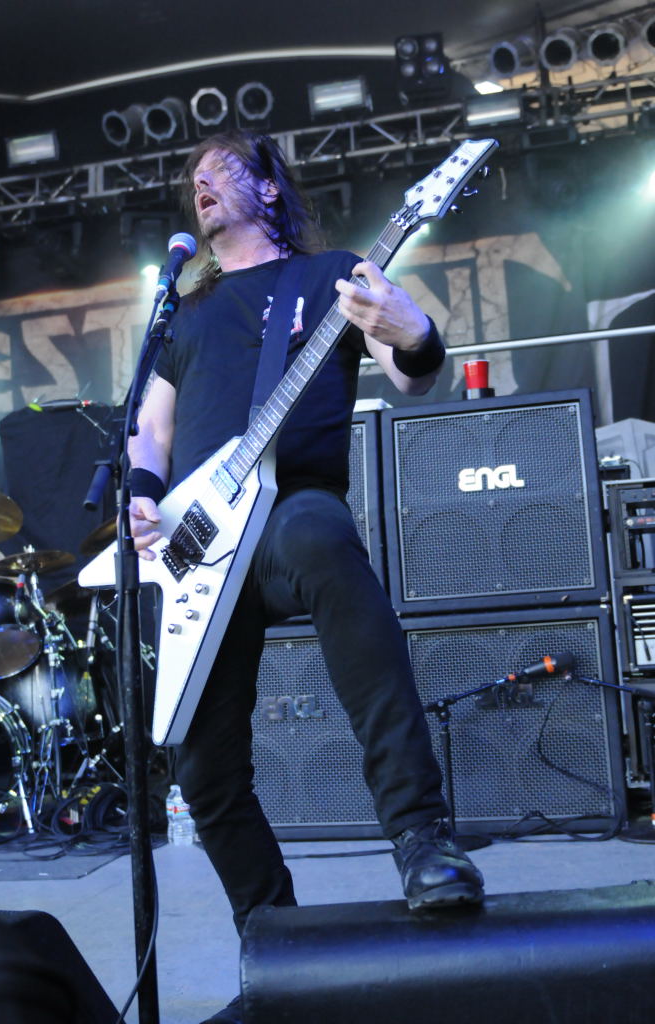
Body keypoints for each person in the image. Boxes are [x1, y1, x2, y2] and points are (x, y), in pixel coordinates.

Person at [128, 130, 484, 1024]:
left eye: (221, 170)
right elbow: (152, 432)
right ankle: (275, 939)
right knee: (200, 765)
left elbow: (412, 376)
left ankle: (422, 839)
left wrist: (415, 332)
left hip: (290, 507)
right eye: (194, 178)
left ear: (268, 188)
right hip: (197, 545)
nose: (201, 183)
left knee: (323, 537)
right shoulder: (185, 313)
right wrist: (139, 495)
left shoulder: (331, 275)